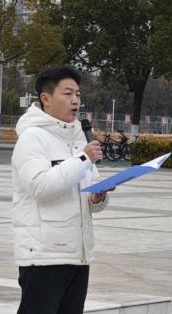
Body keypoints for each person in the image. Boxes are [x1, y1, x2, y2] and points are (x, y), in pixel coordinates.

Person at [11, 66, 110, 314]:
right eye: (68, 94)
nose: (75, 100)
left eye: (78, 94)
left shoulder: (79, 138)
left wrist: (97, 197)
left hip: (78, 254)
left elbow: (87, 194)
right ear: (46, 98)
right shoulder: (32, 138)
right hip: (44, 257)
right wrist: (83, 159)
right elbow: (40, 187)